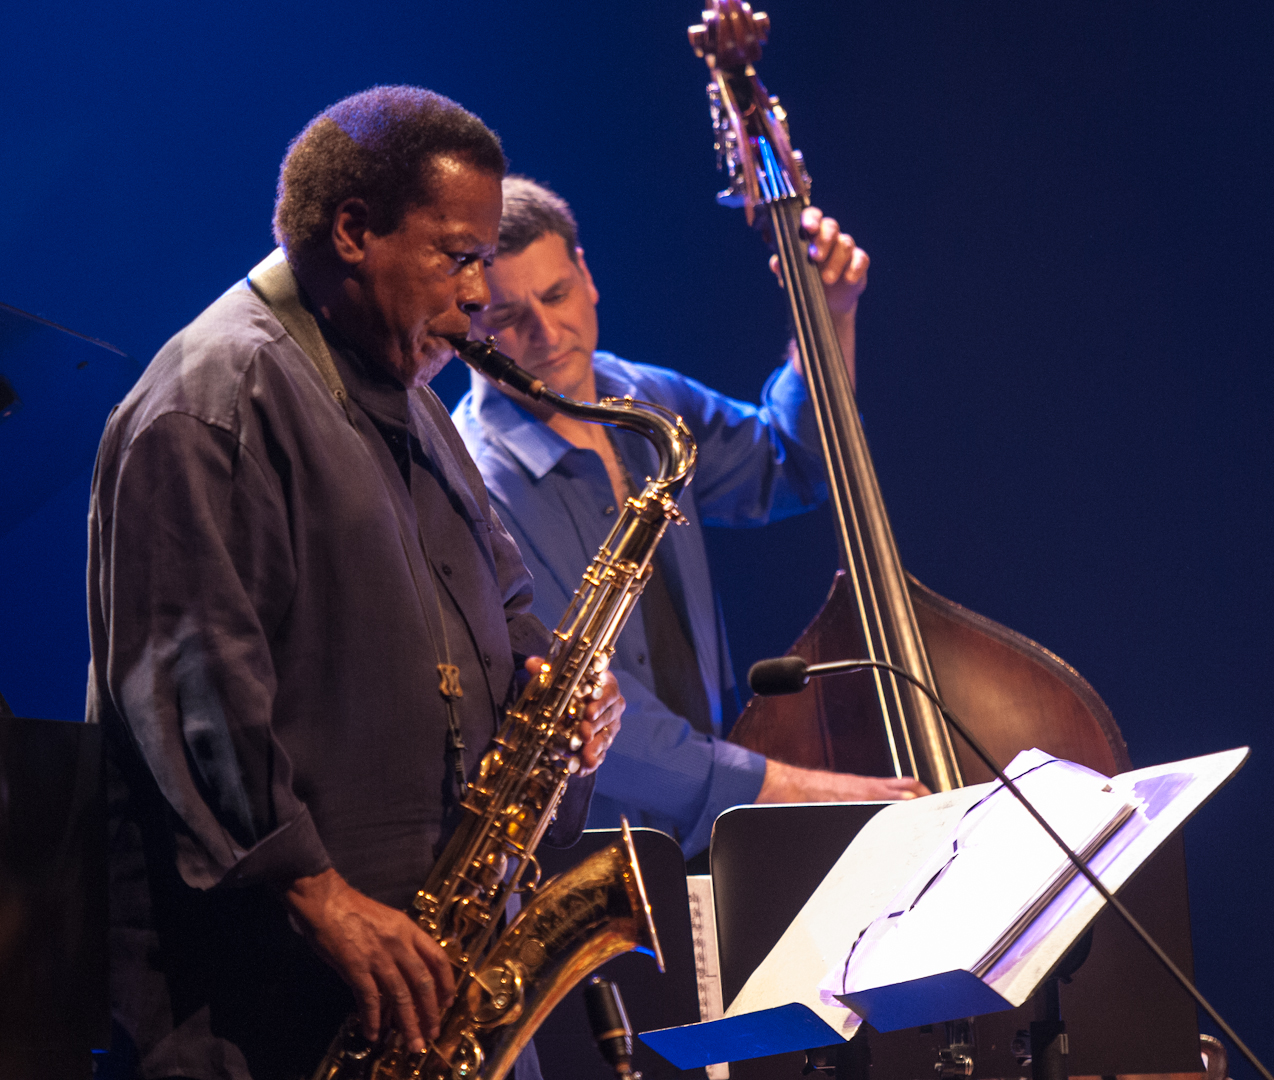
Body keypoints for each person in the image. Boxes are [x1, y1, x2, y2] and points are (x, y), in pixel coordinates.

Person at [88, 89, 621, 1080]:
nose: (476, 296)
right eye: (456, 255)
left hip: (422, 983)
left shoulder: (406, 389)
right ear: (352, 230)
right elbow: (191, 699)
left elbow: (501, 602)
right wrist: (318, 893)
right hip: (268, 1012)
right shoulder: (211, 397)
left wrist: (556, 678)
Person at [452, 177, 928, 864]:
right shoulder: (481, 486)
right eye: (507, 317)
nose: (547, 335)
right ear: (470, 323)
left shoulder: (640, 394)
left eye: (555, 295)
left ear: (586, 276)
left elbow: (791, 463)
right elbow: (596, 723)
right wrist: (808, 791)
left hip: (709, 844)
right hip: (592, 855)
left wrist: (828, 319)